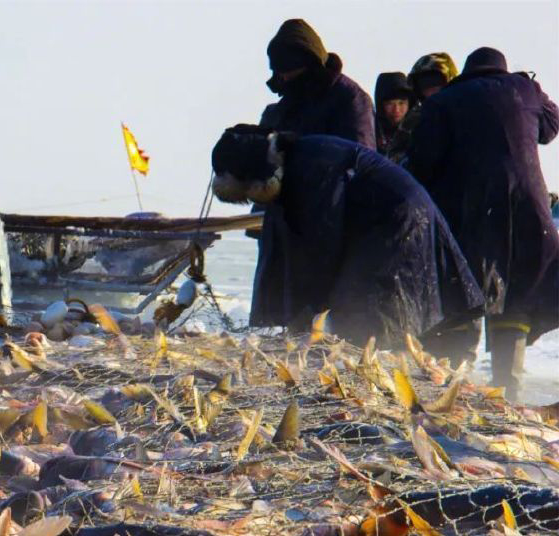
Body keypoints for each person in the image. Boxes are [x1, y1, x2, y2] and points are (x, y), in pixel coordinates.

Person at [211, 125, 484, 349]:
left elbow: (322, 246)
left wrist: (310, 313)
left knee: (370, 304)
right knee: (358, 300)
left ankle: (385, 361)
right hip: (386, 221)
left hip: (396, 221)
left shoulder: (311, 167)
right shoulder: (297, 161)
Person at [407, 47, 559, 401]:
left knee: (467, 292)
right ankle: (509, 393)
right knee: (517, 297)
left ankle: (452, 389)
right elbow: (550, 128)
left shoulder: (446, 101)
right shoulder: (525, 89)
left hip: (476, 213)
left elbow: (424, 161)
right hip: (531, 211)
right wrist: (531, 86)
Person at [258, 19, 375, 148]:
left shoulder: (349, 98)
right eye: (280, 72)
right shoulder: (285, 106)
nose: (284, 77)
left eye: (289, 71)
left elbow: (361, 157)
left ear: (307, 64)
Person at [386, 52, 458, 164]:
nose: (431, 91)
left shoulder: (463, 111)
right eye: (425, 84)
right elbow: (393, 158)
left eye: (437, 83)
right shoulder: (415, 118)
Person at [373, 72, 414, 155]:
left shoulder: (419, 128)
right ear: (380, 105)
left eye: (401, 103)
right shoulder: (369, 130)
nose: (396, 110)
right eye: (390, 104)